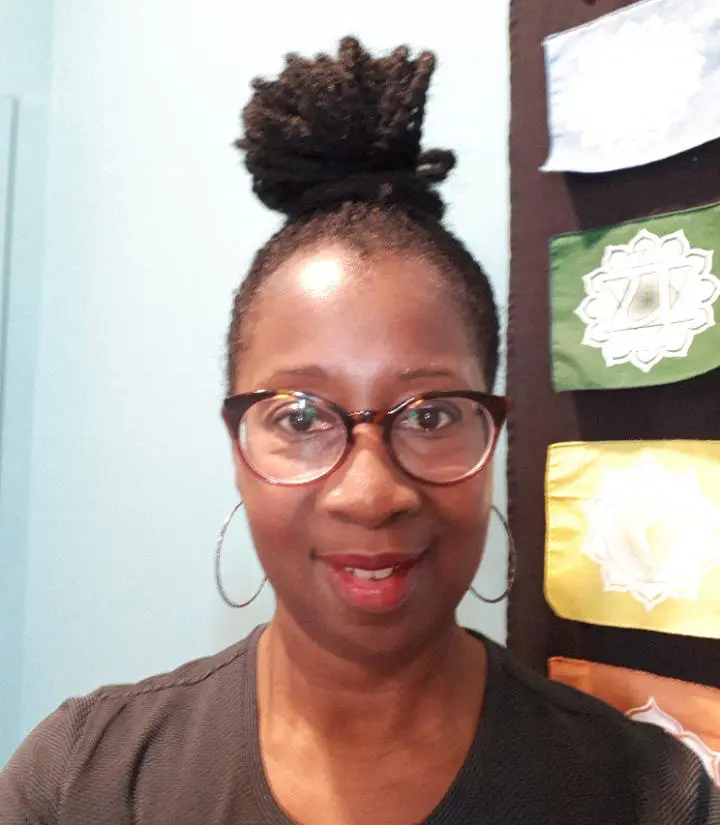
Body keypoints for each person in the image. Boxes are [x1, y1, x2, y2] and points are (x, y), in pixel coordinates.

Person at [1, 36, 718, 825]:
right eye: (301, 416)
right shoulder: (81, 781)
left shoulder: (652, 797)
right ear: (238, 448)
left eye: (431, 414)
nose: (371, 493)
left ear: (493, 437)